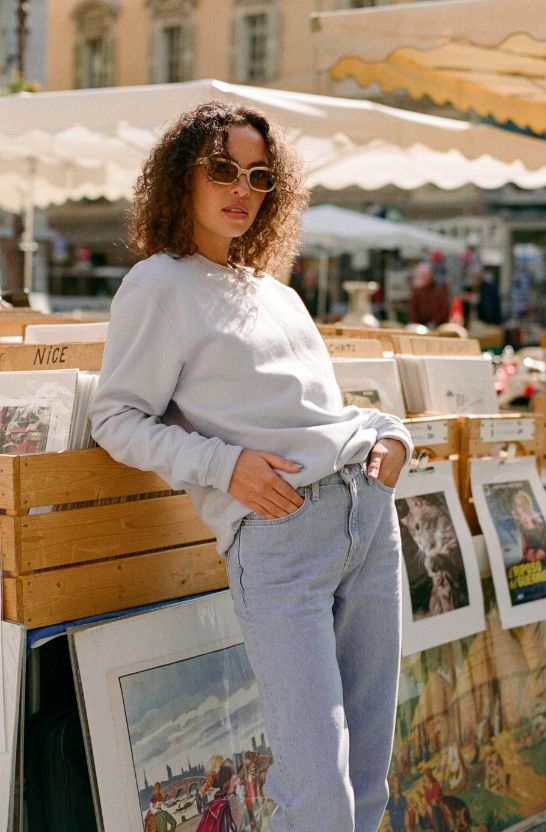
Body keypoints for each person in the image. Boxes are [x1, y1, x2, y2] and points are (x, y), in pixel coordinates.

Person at [90, 101, 413, 832]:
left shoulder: (278, 292)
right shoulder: (158, 285)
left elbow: (324, 415)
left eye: (259, 175)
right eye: (222, 168)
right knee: (316, 791)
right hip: (280, 537)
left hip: (368, 518)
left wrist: (393, 440)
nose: (241, 187)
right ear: (183, 177)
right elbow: (115, 419)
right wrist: (223, 464)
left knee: (368, 780)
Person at [408, 262, 449, 327]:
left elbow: (444, 309)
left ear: (431, 275)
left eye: (425, 275)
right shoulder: (416, 290)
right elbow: (412, 310)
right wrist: (415, 324)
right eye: (421, 275)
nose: (423, 277)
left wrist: (433, 323)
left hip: (438, 326)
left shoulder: (439, 288)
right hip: (420, 326)